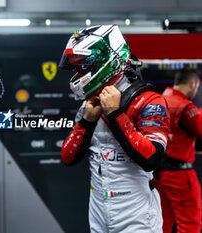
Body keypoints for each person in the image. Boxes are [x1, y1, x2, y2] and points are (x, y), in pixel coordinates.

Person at [59, 24, 170, 233]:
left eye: (83, 65)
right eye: (77, 67)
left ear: (107, 59)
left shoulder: (148, 100)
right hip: (98, 206)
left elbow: (153, 159)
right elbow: (68, 158)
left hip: (136, 211)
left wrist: (116, 114)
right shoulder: (89, 103)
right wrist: (86, 122)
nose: (79, 72)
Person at [154, 69, 202, 233]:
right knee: (189, 223)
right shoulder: (185, 107)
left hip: (157, 174)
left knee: (162, 222)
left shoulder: (158, 100)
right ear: (192, 84)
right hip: (179, 175)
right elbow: (199, 129)